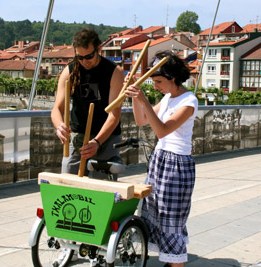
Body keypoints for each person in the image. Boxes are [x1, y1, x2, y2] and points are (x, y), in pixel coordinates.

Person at [125, 50, 198, 267]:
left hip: (177, 164)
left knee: (171, 218)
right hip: (160, 159)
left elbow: (162, 130)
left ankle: (176, 263)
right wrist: (135, 99)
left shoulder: (189, 101)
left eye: (158, 81)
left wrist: (144, 100)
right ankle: (169, 260)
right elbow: (141, 121)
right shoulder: (167, 98)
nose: (156, 86)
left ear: (172, 78)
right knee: (152, 210)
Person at [51, 28, 125, 179]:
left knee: (102, 189)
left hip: (106, 137)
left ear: (99, 49)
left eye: (89, 56)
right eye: (80, 57)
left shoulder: (114, 72)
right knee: (68, 183)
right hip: (79, 135)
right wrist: (59, 126)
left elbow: (114, 115)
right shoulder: (70, 71)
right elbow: (57, 108)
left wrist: (97, 142)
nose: (85, 61)